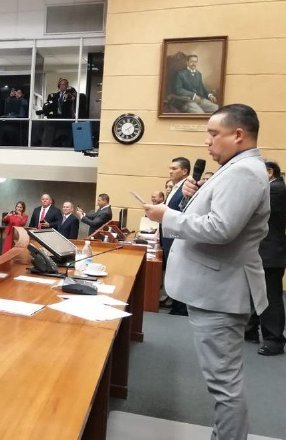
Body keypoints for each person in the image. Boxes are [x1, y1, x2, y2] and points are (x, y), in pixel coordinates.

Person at [143, 104, 268, 440]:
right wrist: (192, 200)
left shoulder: (244, 172)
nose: (207, 142)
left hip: (220, 291)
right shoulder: (236, 168)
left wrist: (165, 216)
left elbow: (221, 229)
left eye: (214, 134)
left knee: (224, 384)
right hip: (215, 287)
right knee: (222, 381)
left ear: (238, 135)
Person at [244, 160, 286, 356]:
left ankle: (275, 339)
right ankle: (250, 329)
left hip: (270, 253)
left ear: (269, 172)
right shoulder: (272, 187)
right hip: (263, 251)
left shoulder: (276, 189)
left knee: (270, 297)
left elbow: (251, 207)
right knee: (254, 293)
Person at [160, 157, 191, 315]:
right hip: (169, 237)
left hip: (176, 238)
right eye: (170, 168)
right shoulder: (175, 187)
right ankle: (175, 304)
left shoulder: (186, 189)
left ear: (185, 171)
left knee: (179, 275)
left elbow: (181, 214)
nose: (170, 171)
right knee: (173, 273)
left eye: (174, 168)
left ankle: (180, 308)